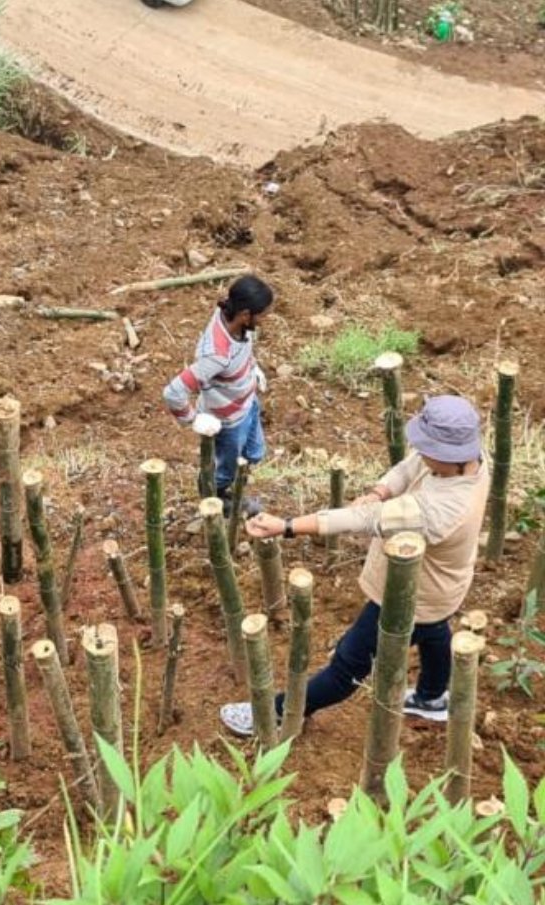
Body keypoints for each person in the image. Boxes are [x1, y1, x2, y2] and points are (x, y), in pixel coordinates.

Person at [219, 395, 489, 735]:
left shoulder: (443, 510)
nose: (418, 451)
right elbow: (410, 466)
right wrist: (379, 490)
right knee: (434, 630)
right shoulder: (472, 459)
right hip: (447, 586)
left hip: (410, 596)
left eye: (425, 446)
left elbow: (363, 519)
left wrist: (286, 526)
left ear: (448, 453)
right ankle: (432, 699)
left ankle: (274, 713)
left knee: (348, 664)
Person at [163, 275, 274, 510]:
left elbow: (243, 348)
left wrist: (252, 368)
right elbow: (173, 392)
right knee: (225, 471)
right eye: (262, 315)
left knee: (255, 453)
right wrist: (193, 419)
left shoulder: (233, 319)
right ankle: (216, 497)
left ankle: (231, 483)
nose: (265, 320)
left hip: (247, 403)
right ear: (245, 315)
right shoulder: (215, 356)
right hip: (228, 421)